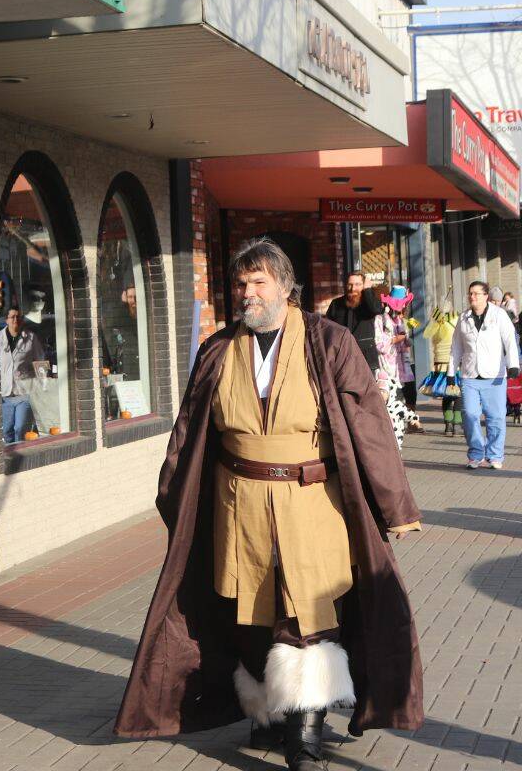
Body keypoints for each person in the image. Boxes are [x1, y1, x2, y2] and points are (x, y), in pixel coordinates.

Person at [115, 238, 423, 771]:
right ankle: (271, 716)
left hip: (312, 503)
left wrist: (394, 505)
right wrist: (175, 495)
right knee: (252, 614)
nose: (247, 293)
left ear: (285, 287)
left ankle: (304, 738)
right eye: (240, 284)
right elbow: (189, 431)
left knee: (309, 615)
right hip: (240, 506)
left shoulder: (330, 342)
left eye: (258, 283)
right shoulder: (217, 349)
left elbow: (370, 425)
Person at [449, 281, 520, 470]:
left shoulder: (499, 315)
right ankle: (476, 454)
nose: (472, 297)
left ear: (486, 296)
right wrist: (450, 372)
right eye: (470, 293)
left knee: (495, 417)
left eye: (476, 294)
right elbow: (456, 347)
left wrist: (513, 365)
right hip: (470, 375)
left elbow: (510, 341)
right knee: (469, 414)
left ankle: (495, 455)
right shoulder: (463, 318)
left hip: (495, 376)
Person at [374, 286, 422, 431]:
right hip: (387, 368)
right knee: (390, 400)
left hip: (404, 367)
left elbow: (408, 343)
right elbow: (380, 345)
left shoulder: (402, 321)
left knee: (408, 396)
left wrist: (406, 337)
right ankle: (405, 423)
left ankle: (408, 423)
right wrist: (396, 339)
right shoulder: (380, 319)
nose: (402, 307)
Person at [0, 307, 45, 443]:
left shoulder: (30, 338)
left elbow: (40, 360)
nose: (15, 320)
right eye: (12, 317)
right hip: (5, 394)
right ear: (6, 320)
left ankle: (21, 455)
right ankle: (10, 460)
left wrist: (41, 383)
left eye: (18, 317)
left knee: (20, 428)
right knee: (6, 430)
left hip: (24, 392)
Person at [324, 272, 379, 370]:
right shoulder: (336, 304)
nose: (353, 288)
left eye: (357, 284)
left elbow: (375, 309)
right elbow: (327, 327)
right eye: (350, 284)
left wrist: (368, 290)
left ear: (364, 285)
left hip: (366, 359)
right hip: (343, 358)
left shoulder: (369, 303)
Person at [422, 302, 460, 436]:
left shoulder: (435, 324)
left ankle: (448, 424)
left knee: (446, 394)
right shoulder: (456, 320)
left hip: (439, 362)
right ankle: (457, 423)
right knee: (458, 393)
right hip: (455, 361)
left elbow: (432, 341)